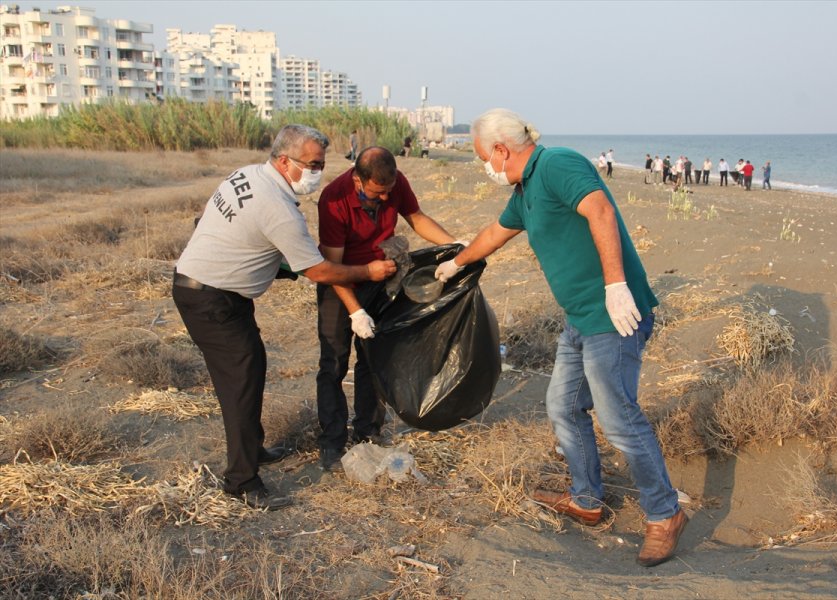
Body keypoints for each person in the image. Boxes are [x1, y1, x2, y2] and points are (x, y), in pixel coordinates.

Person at [436, 108, 687, 567]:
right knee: (564, 406)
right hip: (579, 320)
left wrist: (615, 285)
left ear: (500, 148)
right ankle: (587, 498)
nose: (483, 167)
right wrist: (458, 263)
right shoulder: (526, 189)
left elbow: (601, 210)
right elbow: (497, 232)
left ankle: (665, 513)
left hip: (613, 317)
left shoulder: (557, 164)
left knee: (619, 420)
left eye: (482, 158)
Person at [172, 125, 397, 510]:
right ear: (283, 161)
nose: (317, 172)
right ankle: (242, 481)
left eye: (322, 165)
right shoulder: (277, 207)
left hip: (215, 290)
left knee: (252, 368)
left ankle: (254, 449)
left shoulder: (247, 174)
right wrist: (369, 273)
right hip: (210, 299)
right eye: (311, 164)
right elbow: (321, 271)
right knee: (239, 385)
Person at [316, 146, 458, 471]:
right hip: (340, 284)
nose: (384, 199)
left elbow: (417, 218)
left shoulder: (395, 183)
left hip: (380, 279)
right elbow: (331, 267)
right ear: (357, 179)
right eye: (377, 193)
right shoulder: (333, 199)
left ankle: (368, 432)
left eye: (388, 192)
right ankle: (332, 443)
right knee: (334, 363)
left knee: (372, 357)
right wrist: (354, 312)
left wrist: (456, 247)